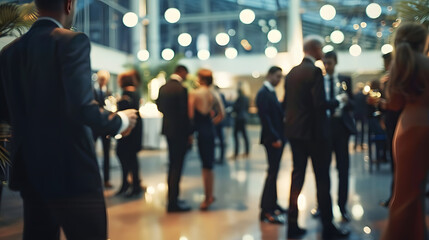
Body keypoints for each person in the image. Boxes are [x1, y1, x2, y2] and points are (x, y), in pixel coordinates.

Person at [0, 0, 138, 239]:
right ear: (69, 4)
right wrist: (121, 122)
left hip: (30, 169)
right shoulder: (71, 41)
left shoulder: (9, 52)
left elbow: (4, 113)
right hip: (72, 171)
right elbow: (82, 108)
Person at [283, 36, 349, 239]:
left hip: (295, 134)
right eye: (320, 48)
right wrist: (338, 102)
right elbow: (319, 105)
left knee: (297, 177)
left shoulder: (291, 72)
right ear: (313, 49)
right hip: (315, 135)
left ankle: (292, 225)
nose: (322, 52)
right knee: (322, 179)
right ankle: (328, 227)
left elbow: (288, 104)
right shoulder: (314, 72)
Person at [380, 23, 429, 240]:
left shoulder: (400, 66)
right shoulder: (426, 64)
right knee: (418, 190)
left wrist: (379, 102)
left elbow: (393, 104)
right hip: (426, 123)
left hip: (408, 125)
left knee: (404, 192)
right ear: (423, 41)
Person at [323, 51, 356, 222]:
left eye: (329, 63)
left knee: (343, 170)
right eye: (325, 63)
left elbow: (353, 103)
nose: (327, 66)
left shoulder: (345, 79)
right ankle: (323, 206)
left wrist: (346, 101)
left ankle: (342, 207)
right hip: (325, 129)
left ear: (335, 62)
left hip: (341, 128)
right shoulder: (320, 80)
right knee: (323, 170)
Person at [157, 65, 192, 213]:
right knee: (177, 166)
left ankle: (171, 198)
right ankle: (173, 202)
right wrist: (190, 134)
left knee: (172, 165)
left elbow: (159, 106)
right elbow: (185, 114)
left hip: (168, 130)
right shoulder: (181, 89)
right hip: (180, 133)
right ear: (182, 72)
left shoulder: (163, 87)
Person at [188, 69, 225, 210]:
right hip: (210, 131)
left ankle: (207, 197)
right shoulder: (214, 93)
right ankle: (210, 194)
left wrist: (190, 134)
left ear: (200, 79)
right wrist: (211, 123)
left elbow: (190, 116)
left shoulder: (194, 93)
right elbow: (222, 115)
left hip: (200, 132)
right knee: (209, 165)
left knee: (204, 166)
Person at [256, 66, 286, 224]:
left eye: (281, 77)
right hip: (272, 139)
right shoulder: (263, 93)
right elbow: (265, 119)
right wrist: (275, 137)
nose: (279, 80)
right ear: (269, 75)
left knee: (274, 172)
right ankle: (266, 209)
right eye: (277, 76)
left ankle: (272, 204)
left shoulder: (270, 92)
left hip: (276, 137)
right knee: (272, 173)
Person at [115, 71, 144, 198]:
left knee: (124, 155)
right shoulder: (136, 92)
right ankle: (133, 184)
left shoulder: (126, 94)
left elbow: (122, 114)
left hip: (127, 130)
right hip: (136, 128)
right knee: (132, 158)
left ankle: (128, 184)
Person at [92, 70, 114, 189]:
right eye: (101, 79)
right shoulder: (91, 91)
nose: (102, 81)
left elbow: (111, 107)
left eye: (104, 79)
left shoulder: (109, 93)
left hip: (105, 126)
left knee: (107, 153)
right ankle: (94, 179)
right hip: (95, 126)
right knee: (92, 152)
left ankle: (106, 179)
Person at [232, 88, 250, 159]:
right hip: (244, 117)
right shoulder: (246, 98)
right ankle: (246, 152)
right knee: (244, 135)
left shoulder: (240, 98)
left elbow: (236, 107)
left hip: (239, 118)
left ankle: (236, 153)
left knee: (236, 135)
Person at [214, 86, 227, 164]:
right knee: (220, 139)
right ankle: (220, 157)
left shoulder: (215, 96)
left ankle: (220, 157)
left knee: (217, 139)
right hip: (218, 119)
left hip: (216, 120)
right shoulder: (221, 95)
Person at [353, 82, 368, 150]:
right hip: (362, 114)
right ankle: (361, 144)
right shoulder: (364, 96)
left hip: (356, 114)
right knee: (362, 130)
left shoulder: (355, 95)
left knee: (356, 129)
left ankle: (355, 144)